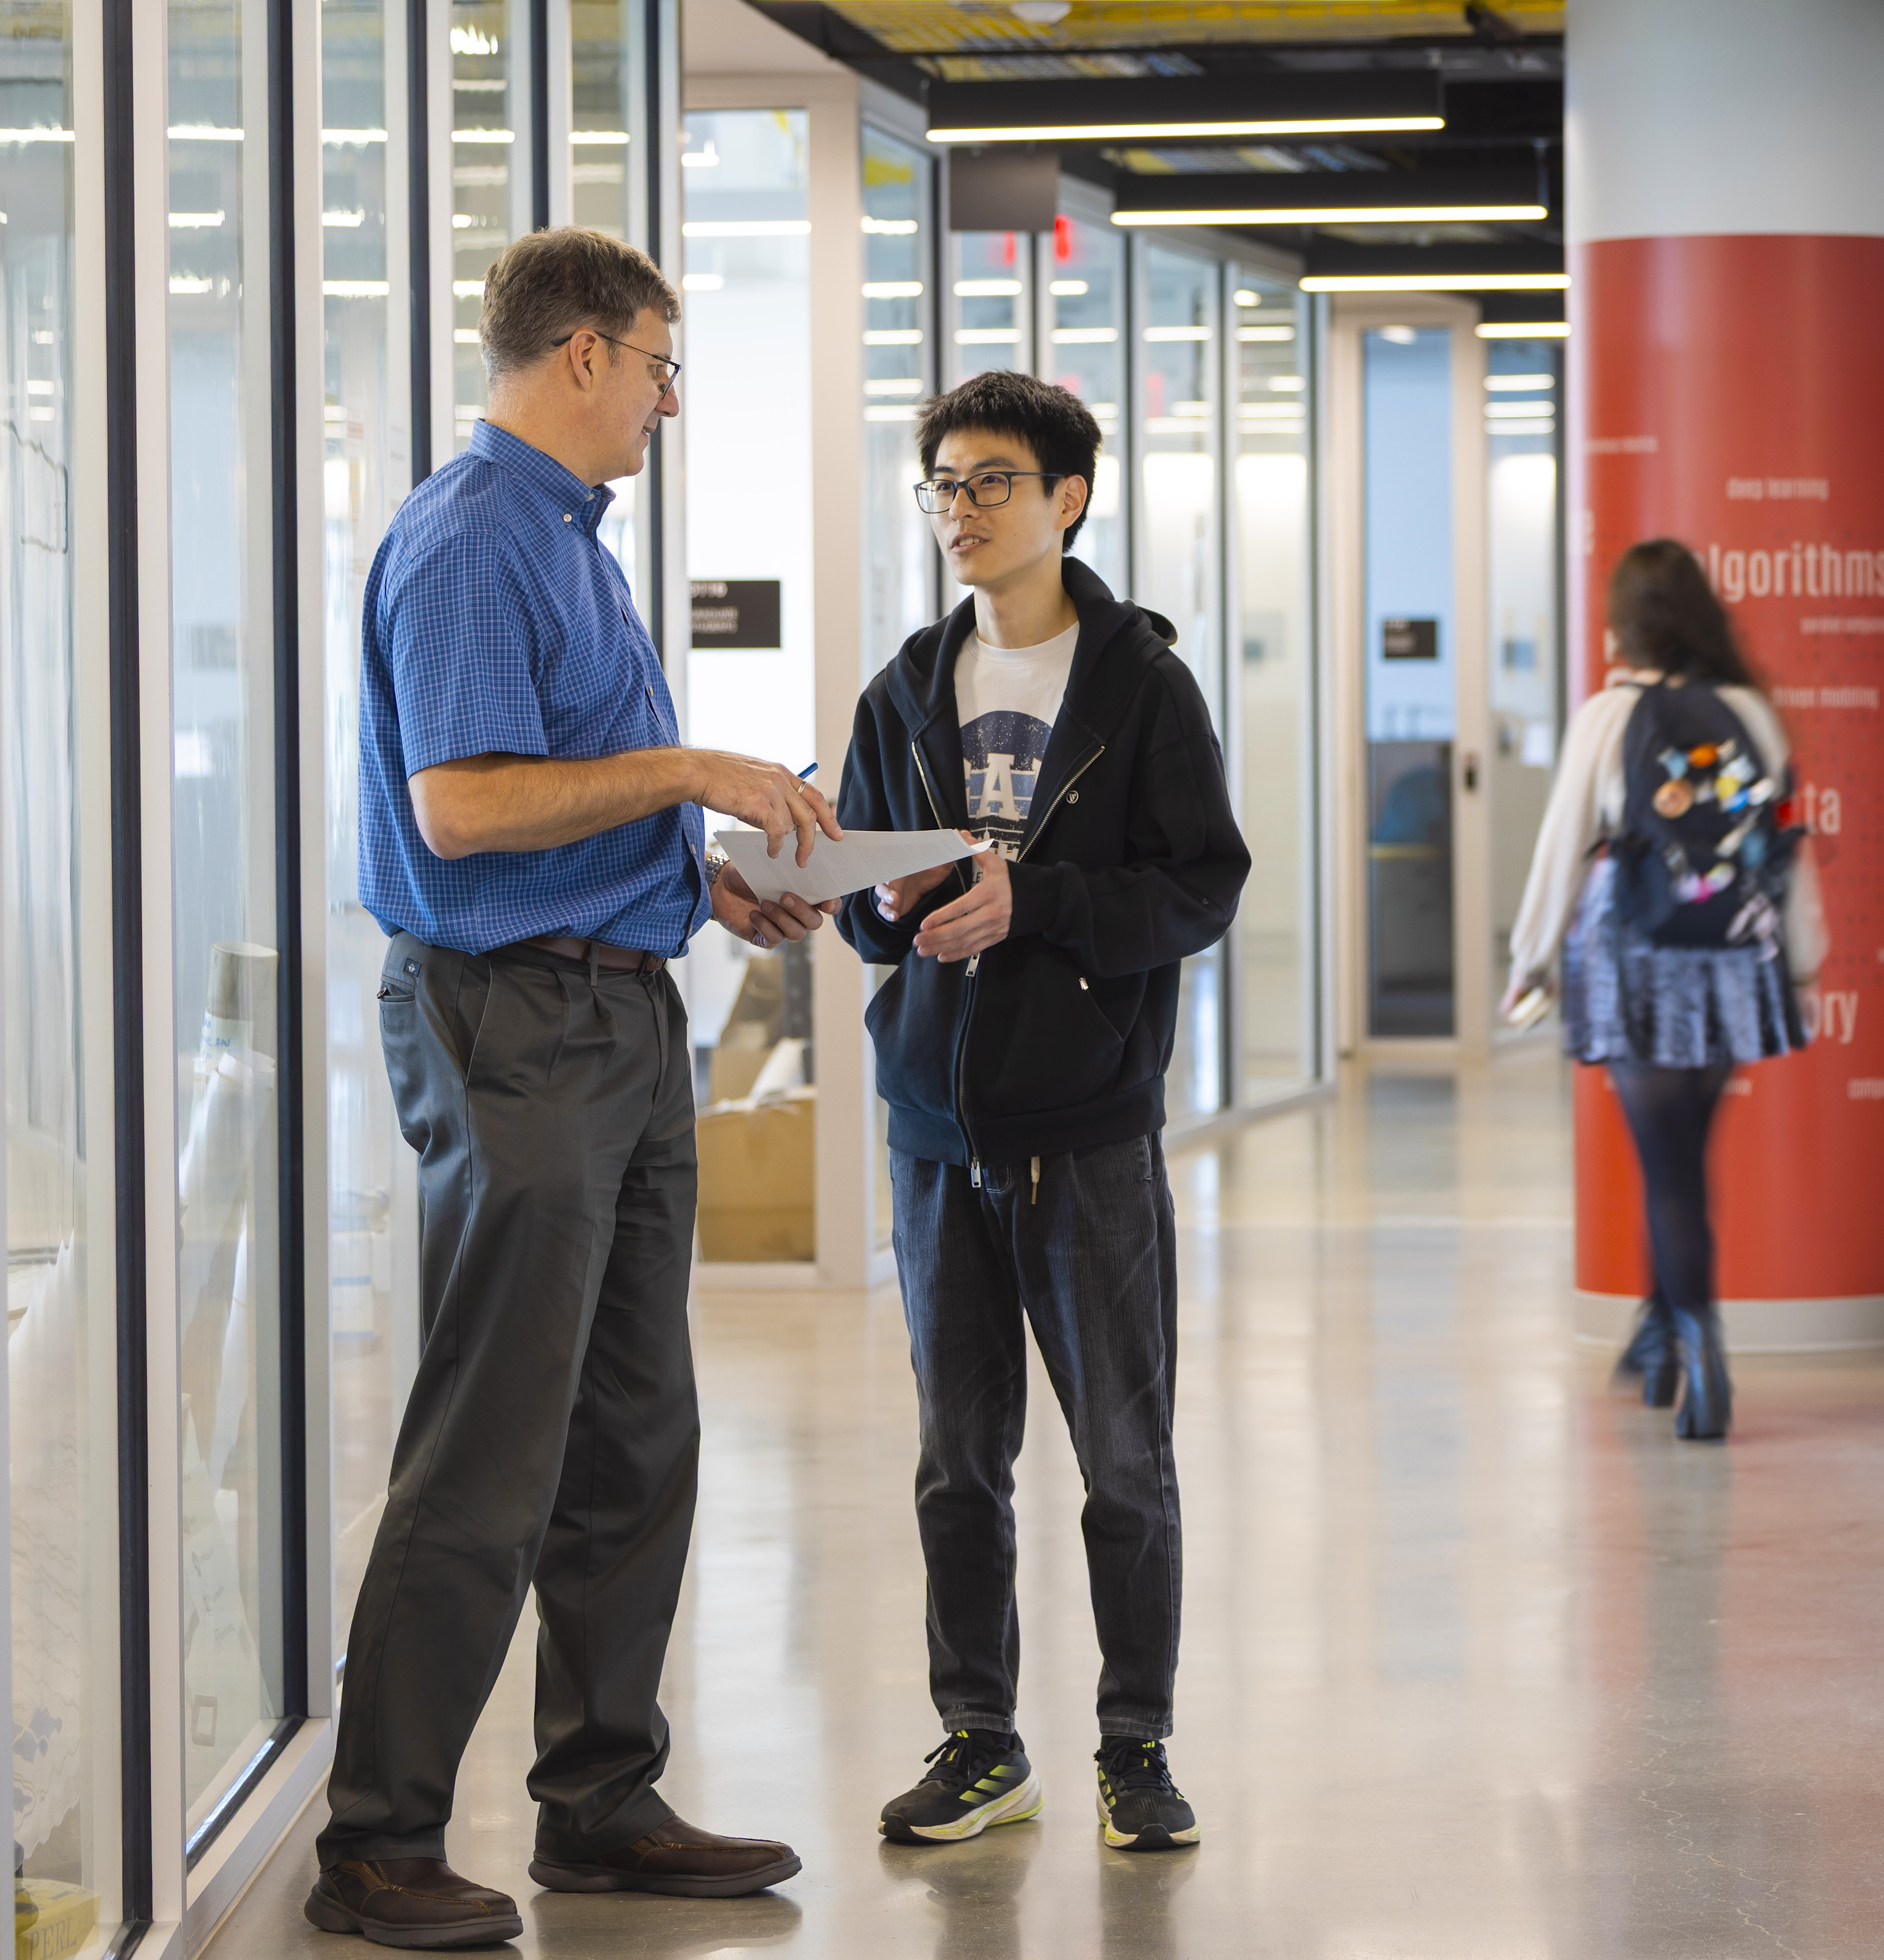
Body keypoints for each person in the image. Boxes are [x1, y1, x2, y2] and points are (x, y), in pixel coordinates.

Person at [308, 226, 835, 1949]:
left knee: (634, 1431)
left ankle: (600, 1798)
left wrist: (699, 870)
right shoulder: (472, 538)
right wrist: (689, 766)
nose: (672, 402)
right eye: (663, 365)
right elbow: (461, 807)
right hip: (518, 1026)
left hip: (620, 1014)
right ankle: (381, 1837)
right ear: (586, 352)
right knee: (492, 1441)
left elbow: (560, 791)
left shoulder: (568, 538)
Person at [834, 370, 1249, 1853]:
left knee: (1122, 1459)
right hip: (935, 1127)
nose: (960, 509)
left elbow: (1202, 883)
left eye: (991, 481)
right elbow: (869, 921)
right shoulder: (903, 684)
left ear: (1067, 499)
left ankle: (1134, 1743)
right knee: (959, 1460)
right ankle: (977, 1739)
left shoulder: (1141, 686)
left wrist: (1041, 899)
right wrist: (882, 909)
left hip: (1086, 1126)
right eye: (942, 483)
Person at [1502, 538, 1826, 1441]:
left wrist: (1529, 959)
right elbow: (1783, 849)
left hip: (1634, 951)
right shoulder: (1751, 713)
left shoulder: (1607, 715)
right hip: (1730, 956)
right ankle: (1659, 1332)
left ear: (1622, 625)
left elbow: (1563, 843)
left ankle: (1700, 1347)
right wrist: (1803, 955)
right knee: (1681, 1157)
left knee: (1666, 1165)